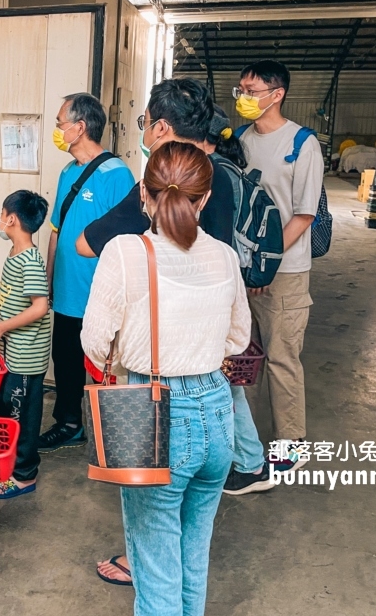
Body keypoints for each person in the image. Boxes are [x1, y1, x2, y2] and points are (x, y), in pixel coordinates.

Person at [78, 80, 241, 585]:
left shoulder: (125, 252)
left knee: (156, 572)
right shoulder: (225, 255)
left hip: (155, 413)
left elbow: (94, 341)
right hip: (217, 415)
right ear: (206, 195)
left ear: (143, 193)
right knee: (195, 559)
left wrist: (134, 352)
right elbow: (236, 342)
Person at [235, 60, 323, 467]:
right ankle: (248, 442)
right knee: (242, 357)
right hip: (242, 272)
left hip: (283, 273)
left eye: (252, 91)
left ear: (277, 94)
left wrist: (264, 266)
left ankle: (292, 444)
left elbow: (303, 216)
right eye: (241, 90)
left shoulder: (301, 144)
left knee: (281, 357)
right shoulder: (238, 140)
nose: (244, 98)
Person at [40, 92, 134, 453]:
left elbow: (128, 239)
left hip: (99, 294)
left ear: (79, 128)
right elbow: (57, 230)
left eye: (60, 122)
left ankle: (114, 437)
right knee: (63, 360)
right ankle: (68, 423)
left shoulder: (117, 175)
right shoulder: (67, 171)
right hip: (65, 291)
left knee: (104, 366)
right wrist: (48, 281)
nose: (57, 129)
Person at [75, 79, 233, 261]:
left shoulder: (160, 178)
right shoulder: (221, 175)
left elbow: (85, 245)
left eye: (145, 122)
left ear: (160, 128)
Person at [204, 108, 276, 496]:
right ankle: (249, 461)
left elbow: (215, 246)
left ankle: (249, 463)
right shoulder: (228, 168)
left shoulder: (213, 174)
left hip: (218, 294)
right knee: (225, 380)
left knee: (223, 380)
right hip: (229, 289)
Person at [0, 190, 52, 499]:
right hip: (12, 349)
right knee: (0, 404)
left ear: (11, 219)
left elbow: (40, 306)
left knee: (22, 415)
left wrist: (2, 327)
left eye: (1, 214)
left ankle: (24, 475)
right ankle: (4, 458)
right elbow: (17, 296)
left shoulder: (31, 261)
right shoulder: (14, 254)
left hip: (27, 355)